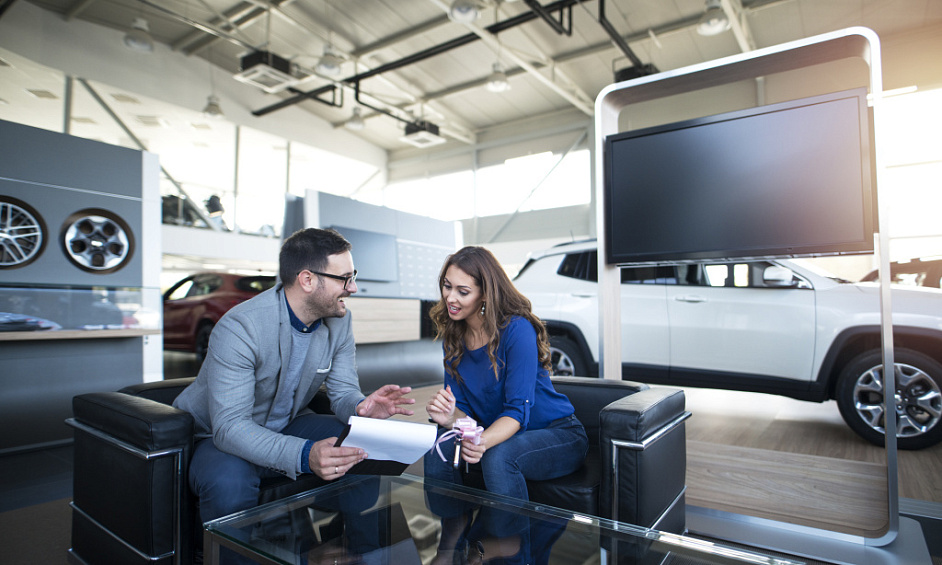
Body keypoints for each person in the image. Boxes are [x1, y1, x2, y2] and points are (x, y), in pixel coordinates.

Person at [173, 227, 415, 526]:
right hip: (216, 435)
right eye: (344, 278)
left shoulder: (340, 322)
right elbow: (230, 427)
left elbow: (343, 391)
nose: (353, 288)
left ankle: (345, 546)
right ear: (307, 280)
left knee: (362, 447)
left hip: (286, 422)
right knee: (229, 483)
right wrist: (305, 454)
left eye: (353, 276)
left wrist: (360, 407)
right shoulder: (241, 327)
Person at [423, 246, 588, 563]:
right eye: (447, 286)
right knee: (438, 444)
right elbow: (465, 415)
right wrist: (450, 416)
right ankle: (451, 535)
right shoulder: (453, 337)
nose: (450, 298)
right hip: (499, 432)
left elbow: (517, 413)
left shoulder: (516, 329)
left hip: (558, 434)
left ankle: (512, 544)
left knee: (498, 456)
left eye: (463, 291)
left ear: (485, 294)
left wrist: (481, 441)